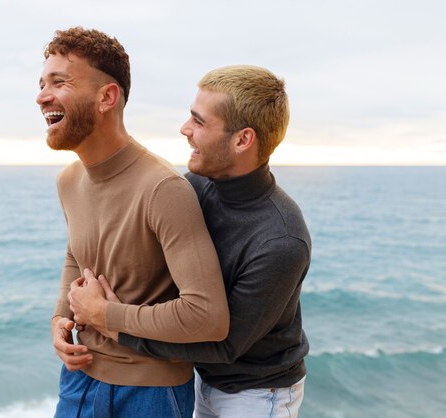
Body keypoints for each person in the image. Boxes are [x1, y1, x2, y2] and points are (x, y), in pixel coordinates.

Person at [73, 65, 311, 417]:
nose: (185, 129)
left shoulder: (280, 239)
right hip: (199, 378)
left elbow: (223, 345)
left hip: (258, 394)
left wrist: (111, 322)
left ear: (242, 140)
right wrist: (71, 313)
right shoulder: (195, 188)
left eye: (199, 122)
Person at [36, 27, 230, 418]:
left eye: (59, 82)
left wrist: (105, 315)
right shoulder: (69, 180)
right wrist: (62, 315)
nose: (41, 96)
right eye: (41, 83)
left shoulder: (163, 189)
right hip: (77, 380)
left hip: (150, 394)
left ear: (107, 97)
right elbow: (78, 252)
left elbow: (208, 317)